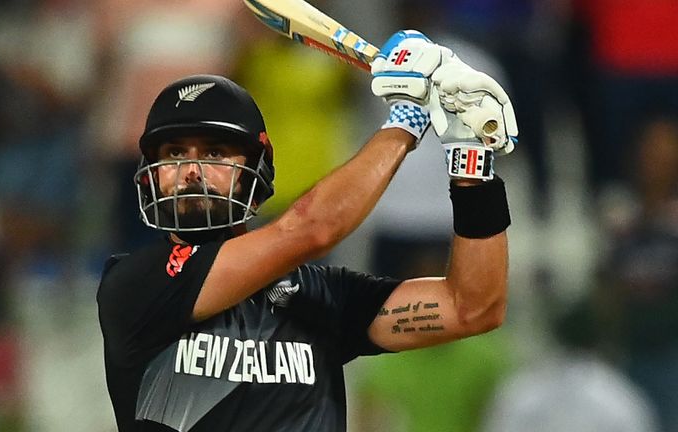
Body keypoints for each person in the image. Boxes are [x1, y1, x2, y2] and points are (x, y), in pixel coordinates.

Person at [97, 30, 518, 432]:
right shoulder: (134, 284)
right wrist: (406, 121)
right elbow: (312, 230)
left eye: (214, 153)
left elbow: (473, 306)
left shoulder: (320, 297)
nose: (191, 171)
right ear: (149, 175)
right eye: (173, 154)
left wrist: (470, 160)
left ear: (254, 172)